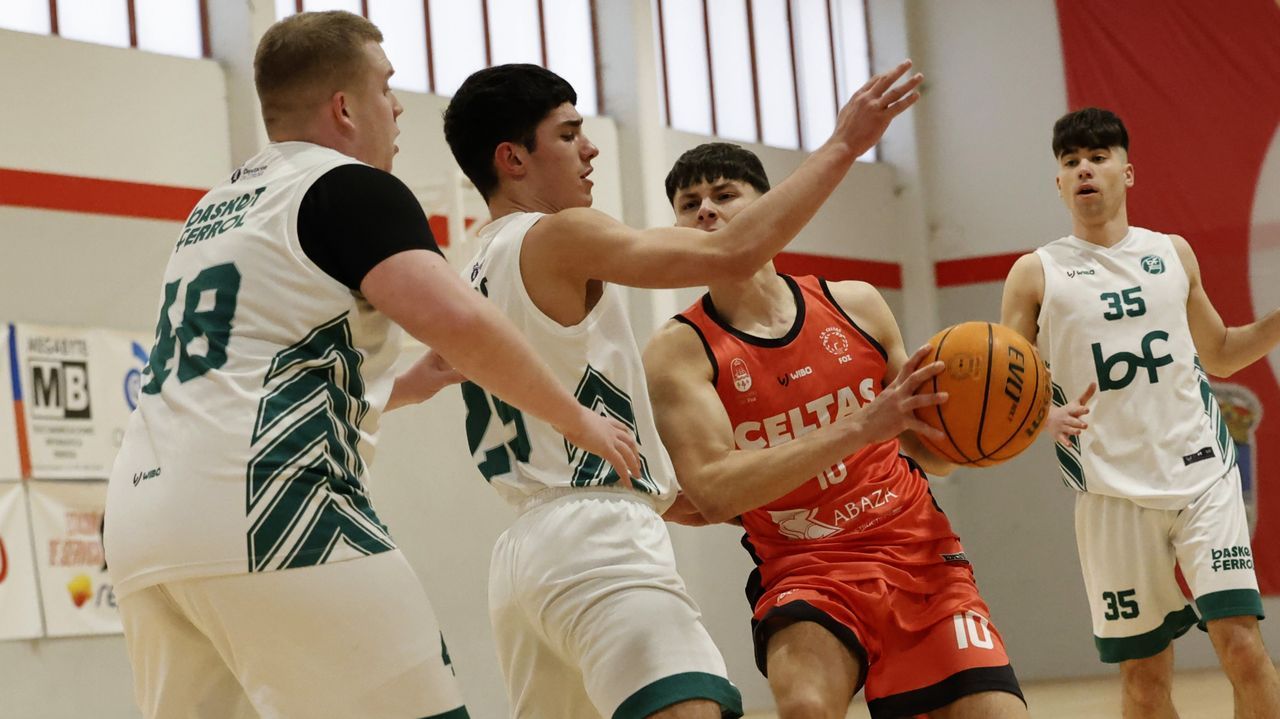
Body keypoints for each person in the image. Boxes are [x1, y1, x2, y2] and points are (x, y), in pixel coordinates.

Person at [103, 12, 639, 719]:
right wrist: (581, 421)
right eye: (386, 86)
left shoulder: (215, 209)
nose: (397, 106)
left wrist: (404, 384)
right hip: (272, 506)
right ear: (344, 108)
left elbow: (238, 376)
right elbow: (462, 320)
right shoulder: (351, 185)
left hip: (142, 526)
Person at [440, 61, 923, 718]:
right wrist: (843, 144)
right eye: (569, 133)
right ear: (512, 158)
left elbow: (533, 394)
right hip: (597, 545)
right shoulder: (562, 234)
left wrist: (656, 488)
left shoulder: (466, 264)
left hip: (524, 554)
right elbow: (731, 253)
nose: (591, 148)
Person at [642, 142, 1029, 719]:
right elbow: (718, 492)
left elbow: (933, 454)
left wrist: (995, 422)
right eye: (688, 204)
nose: (705, 212)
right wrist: (858, 427)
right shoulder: (680, 351)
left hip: (919, 552)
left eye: (724, 196)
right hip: (806, 570)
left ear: (771, 207)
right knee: (804, 706)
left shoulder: (857, 305)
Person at [1001, 107, 1280, 718]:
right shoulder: (1035, 273)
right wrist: (1039, 419)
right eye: (1071, 162)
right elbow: (1004, 384)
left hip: (1203, 474)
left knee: (1242, 647)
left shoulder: (1172, 254)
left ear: (1128, 173)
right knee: (1144, 678)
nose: (1084, 170)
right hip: (1109, 493)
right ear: (1058, 183)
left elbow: (1224, 355)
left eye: (1098, 157)